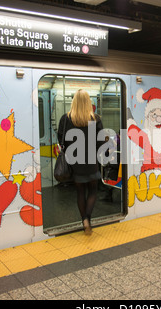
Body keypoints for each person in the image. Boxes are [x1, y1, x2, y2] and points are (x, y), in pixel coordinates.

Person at [57, 89, 105, 235]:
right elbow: (101, 141)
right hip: (91, 162)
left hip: (74, 163)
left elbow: (61, 140)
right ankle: (88, 220)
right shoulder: (95, 119)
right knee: (93, 191)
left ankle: (83, 218)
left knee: (80, 192)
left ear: (74, 102)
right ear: (88, 103)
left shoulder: (65, 119)